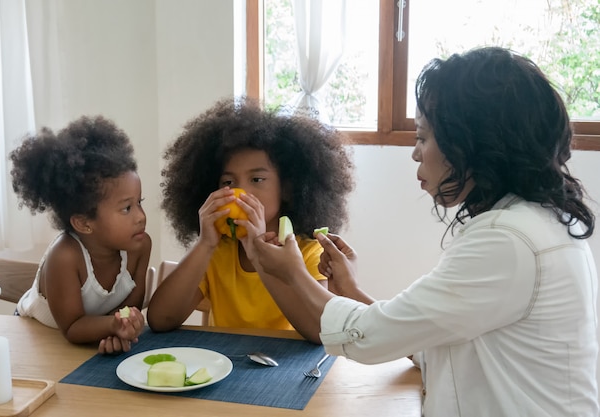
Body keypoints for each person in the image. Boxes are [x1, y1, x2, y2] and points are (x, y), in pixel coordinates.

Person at [252, 46, 599, 416]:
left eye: (422, 137)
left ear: (475, 143)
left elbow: (371, 339)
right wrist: (350, 291)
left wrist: (292, 274)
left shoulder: (508, 241)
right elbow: (423, 337)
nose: (416, 153)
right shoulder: (536, 222)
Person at [147, 97, 354, 336]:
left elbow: (320, 333)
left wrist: (258, 255)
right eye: (228, 182)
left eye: (256, 179)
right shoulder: (216, 252)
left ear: (287, 188)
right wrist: (205, 244)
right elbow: (160, 319)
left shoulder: (307, 253)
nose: (240, 192)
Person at [10, 115, 151, 354]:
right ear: (84, 223)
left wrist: (121, 329)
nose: (140, 216)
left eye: (140, 202)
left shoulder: (140, 246)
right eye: (127, 208)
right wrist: (111, 325)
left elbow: (129, 309)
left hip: (86, 342)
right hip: (36, 339)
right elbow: (73, 327)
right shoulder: (64, 257)